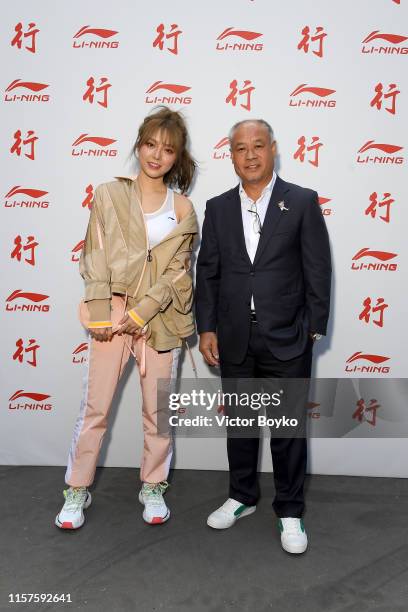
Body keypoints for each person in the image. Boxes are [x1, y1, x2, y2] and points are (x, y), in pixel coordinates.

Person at [55, 107, 198, 529]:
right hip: (113, 313)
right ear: (139, 145)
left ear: (177, 157)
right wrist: (104, 312)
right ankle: (76, 489)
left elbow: (178, 271)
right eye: (151, 144)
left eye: (167, 149)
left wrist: (145, 310)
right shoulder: (109, 194)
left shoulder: (185, 207)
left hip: (161, 317)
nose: (157, 155)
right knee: (95, 407)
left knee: (158, 411)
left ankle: (153, 485)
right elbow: (93, 256)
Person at [195, 119, 331, 554]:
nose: (250, 155)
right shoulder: (216, 208)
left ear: (273, 149)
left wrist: (312, 330)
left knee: (288, 427)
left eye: (258, 146)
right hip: (233, 337)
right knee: (241, 425)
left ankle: (290, 510)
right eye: (240, 148)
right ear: (230, 154)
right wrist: (207, 328)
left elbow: (317, 269)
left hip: (287, 337)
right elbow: (209, 272)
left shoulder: (303, 201)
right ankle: (242, 496)